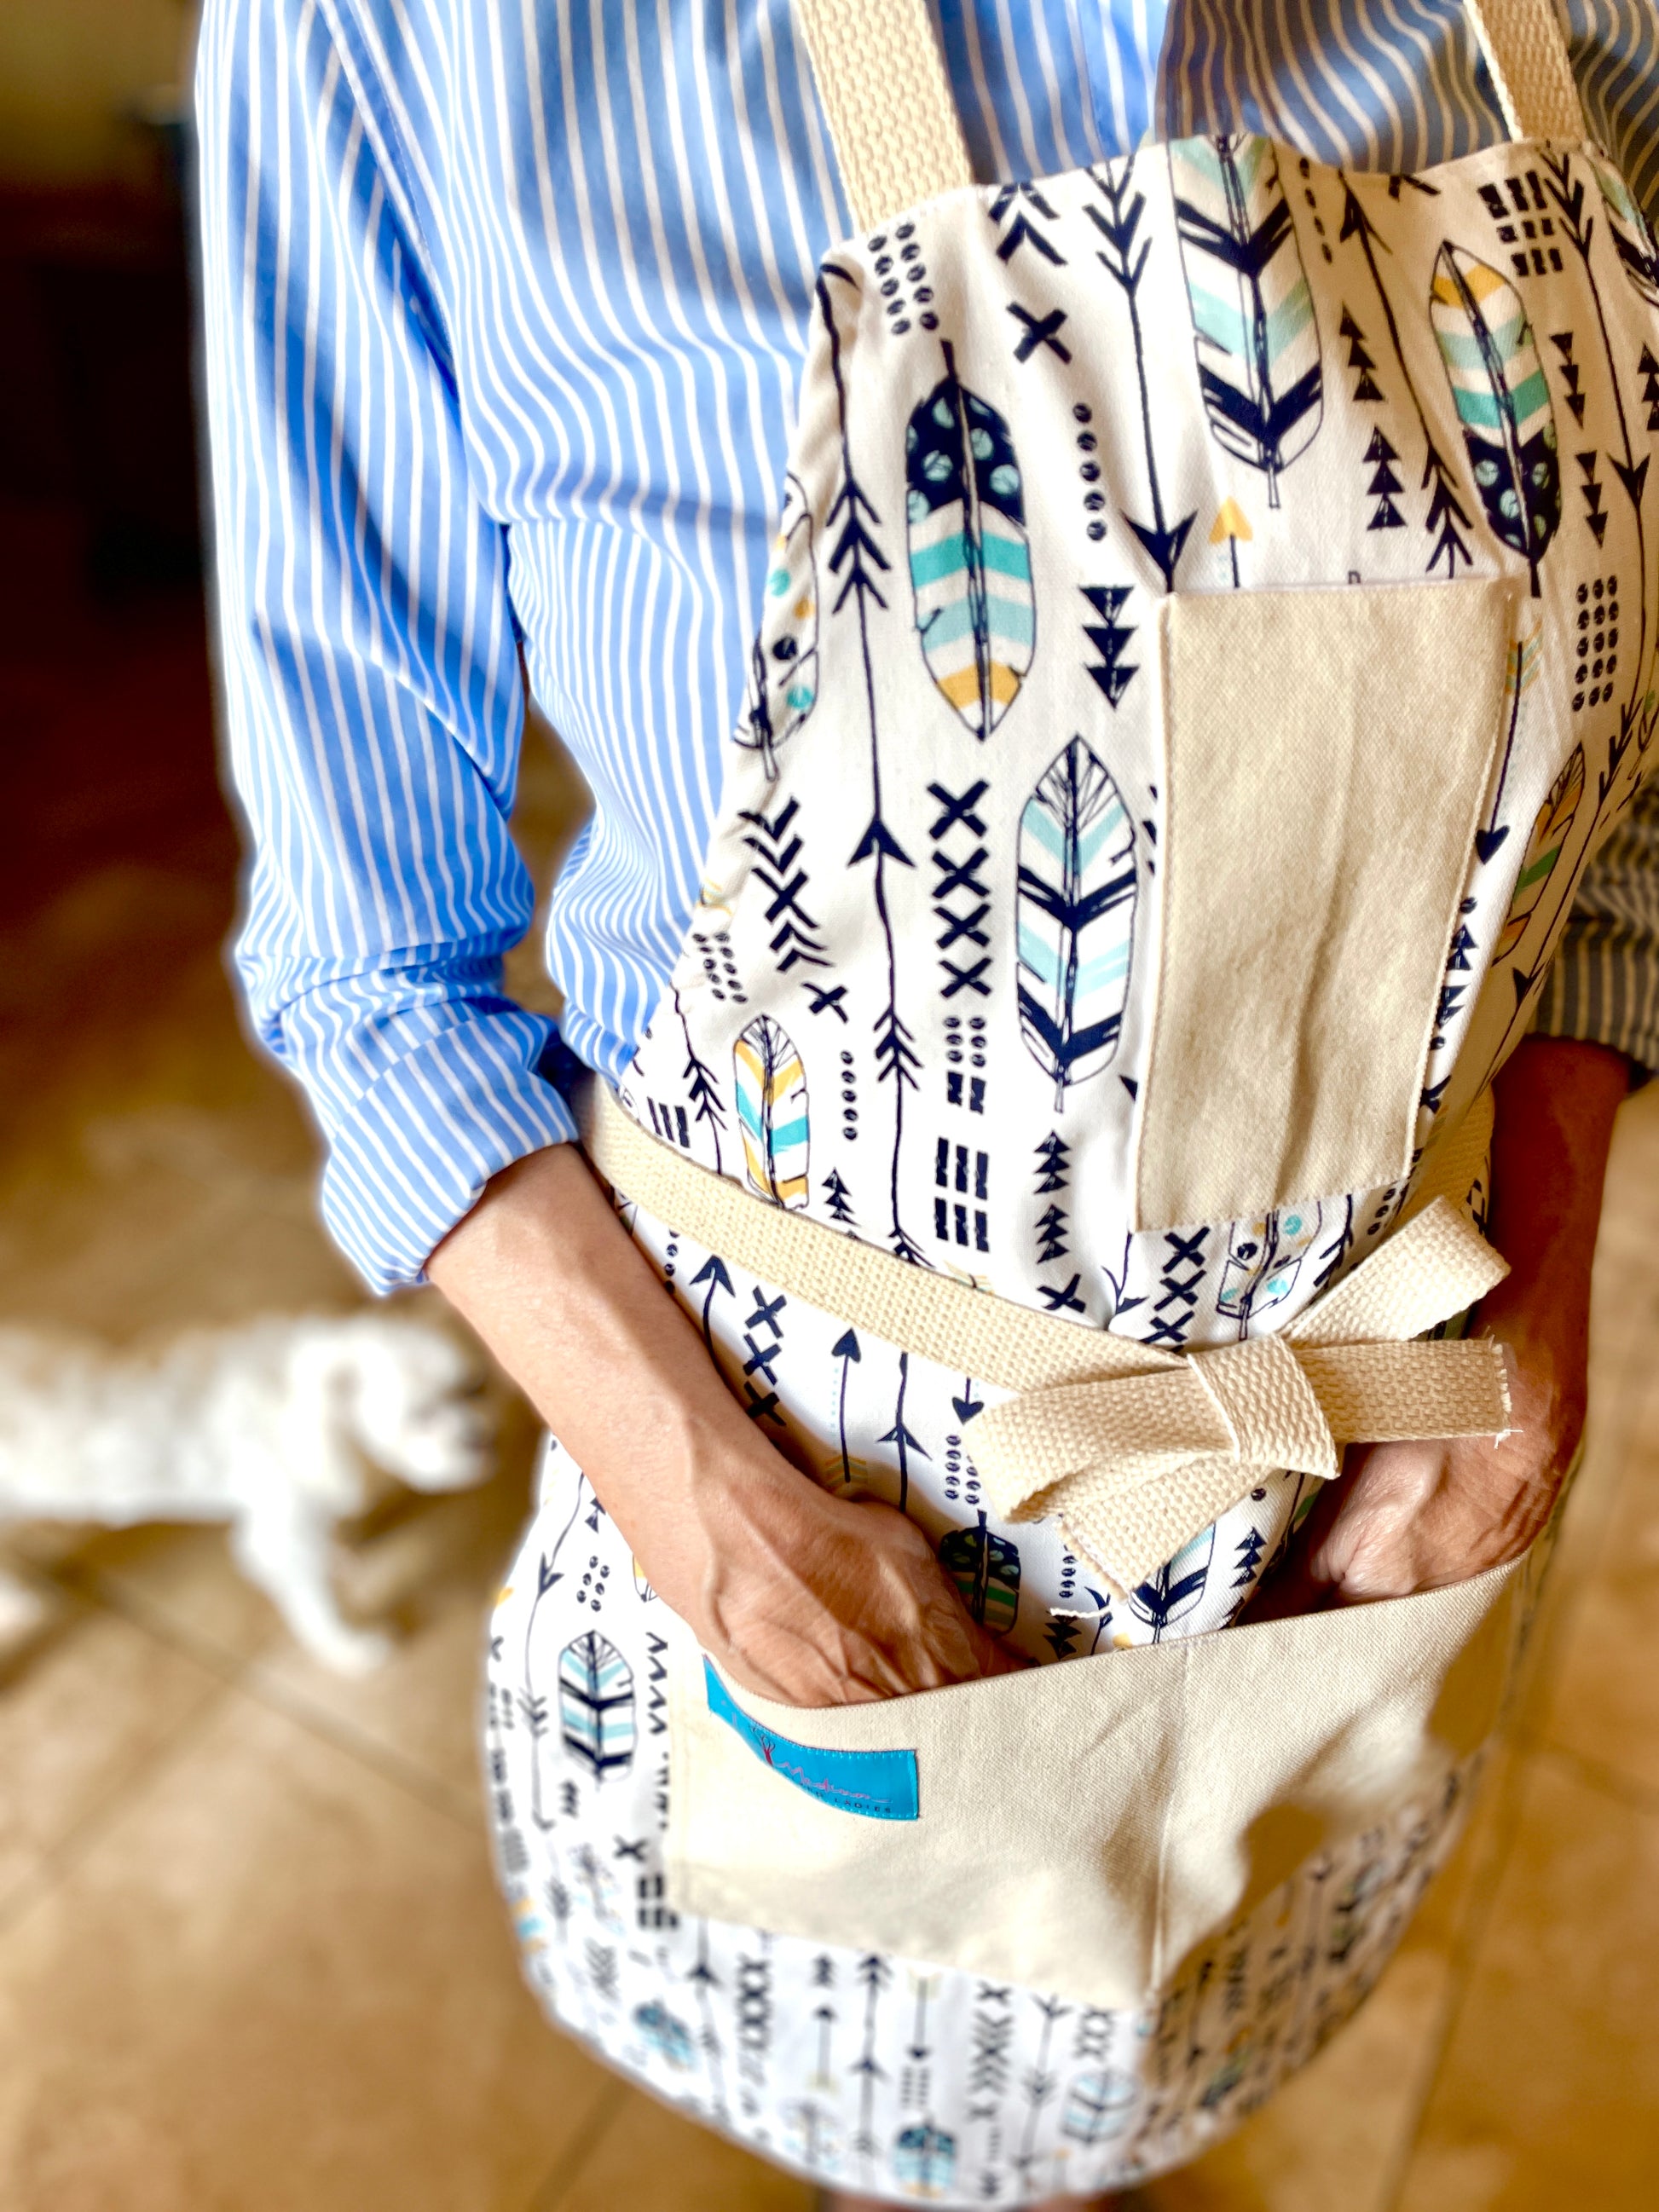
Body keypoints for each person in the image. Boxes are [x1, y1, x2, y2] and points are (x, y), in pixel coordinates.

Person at [198, 2, 1659, 2204]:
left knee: (1209, 2067)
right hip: (791, 1541)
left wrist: (1528, 1329)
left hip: (1356, 1522)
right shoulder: (402, 37)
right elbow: (370, 968)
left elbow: (1618, 808)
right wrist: (715, 1513)